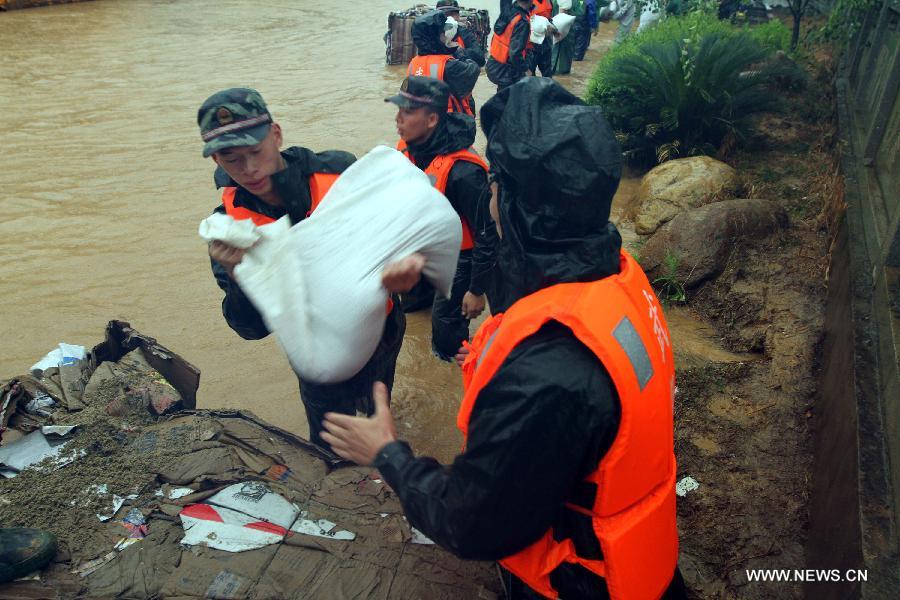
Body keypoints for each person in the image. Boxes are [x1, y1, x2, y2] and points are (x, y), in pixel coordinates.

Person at [323, 78, 687, 599]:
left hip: (582, 584)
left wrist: (388, 452)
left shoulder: (545, 375)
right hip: (644, 557)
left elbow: (471, 523)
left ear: (511, 201)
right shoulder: (618, 279)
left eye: (496, 184)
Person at [198, 88, 406, 450]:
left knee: (378, 413)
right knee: (331, 450)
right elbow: (250, 330)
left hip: (380, 329)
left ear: (276, 135)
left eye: (255, 151)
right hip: (317, 353)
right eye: (232, 159)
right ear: (216, 159)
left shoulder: (340, 171)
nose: (249, 169)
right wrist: (238, 278)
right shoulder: (227, 230)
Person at [388, 76, 497, 362]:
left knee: (445, 332)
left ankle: (457, 367)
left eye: (407, 112)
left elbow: (487, 234)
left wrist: (477, 290)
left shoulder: (464, 172)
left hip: (462, 258)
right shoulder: (409, 148)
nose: (398, 119)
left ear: (432, 119)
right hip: (425, 245)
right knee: (409, 306)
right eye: (398, 110)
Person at [408, 10, 480, 116]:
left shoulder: (413, 63)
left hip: (423, 120)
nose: (447, 34)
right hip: (449, 121)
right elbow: (473, 70)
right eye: (443, 32)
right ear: (435, 38)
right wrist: (459, 52)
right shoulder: (449, 65)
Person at [486, 0, 534, 91]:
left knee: (502, 95)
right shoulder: (522, 22)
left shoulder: (508, 12)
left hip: (494, 63)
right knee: (512, 97)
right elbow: (515, 53)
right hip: (507, 69)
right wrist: (525, 69)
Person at [436, 0, 486, 67]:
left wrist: (459, 51)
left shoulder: (464, 32)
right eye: (444, 14)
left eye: (452, 14)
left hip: (458, 71)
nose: (448, 18)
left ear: (458, 16)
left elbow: (481, 59)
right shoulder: (429, 33)